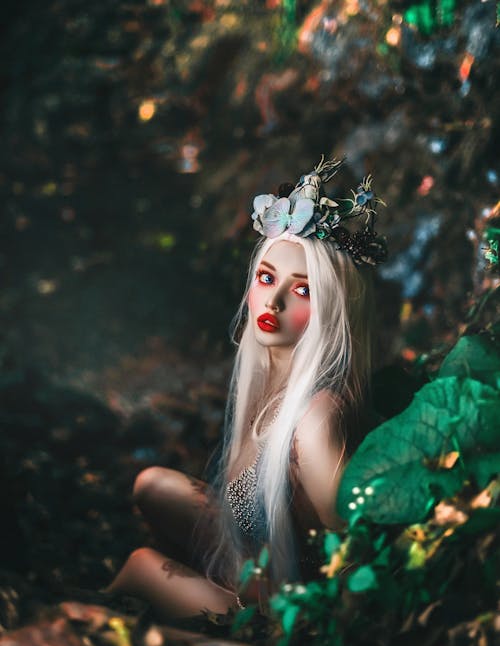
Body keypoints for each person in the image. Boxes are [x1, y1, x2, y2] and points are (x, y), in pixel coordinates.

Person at [105, 156, 387, 619]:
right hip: (256, 564)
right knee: (152, 485)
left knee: (141, 566)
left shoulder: (317, 419)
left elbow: (354, 557)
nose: (272, 300)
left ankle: (96, 627)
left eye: (303, 290)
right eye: (266, 278)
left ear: (333, 309)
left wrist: (307, 633)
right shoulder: (273, 387)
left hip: (282, 611)